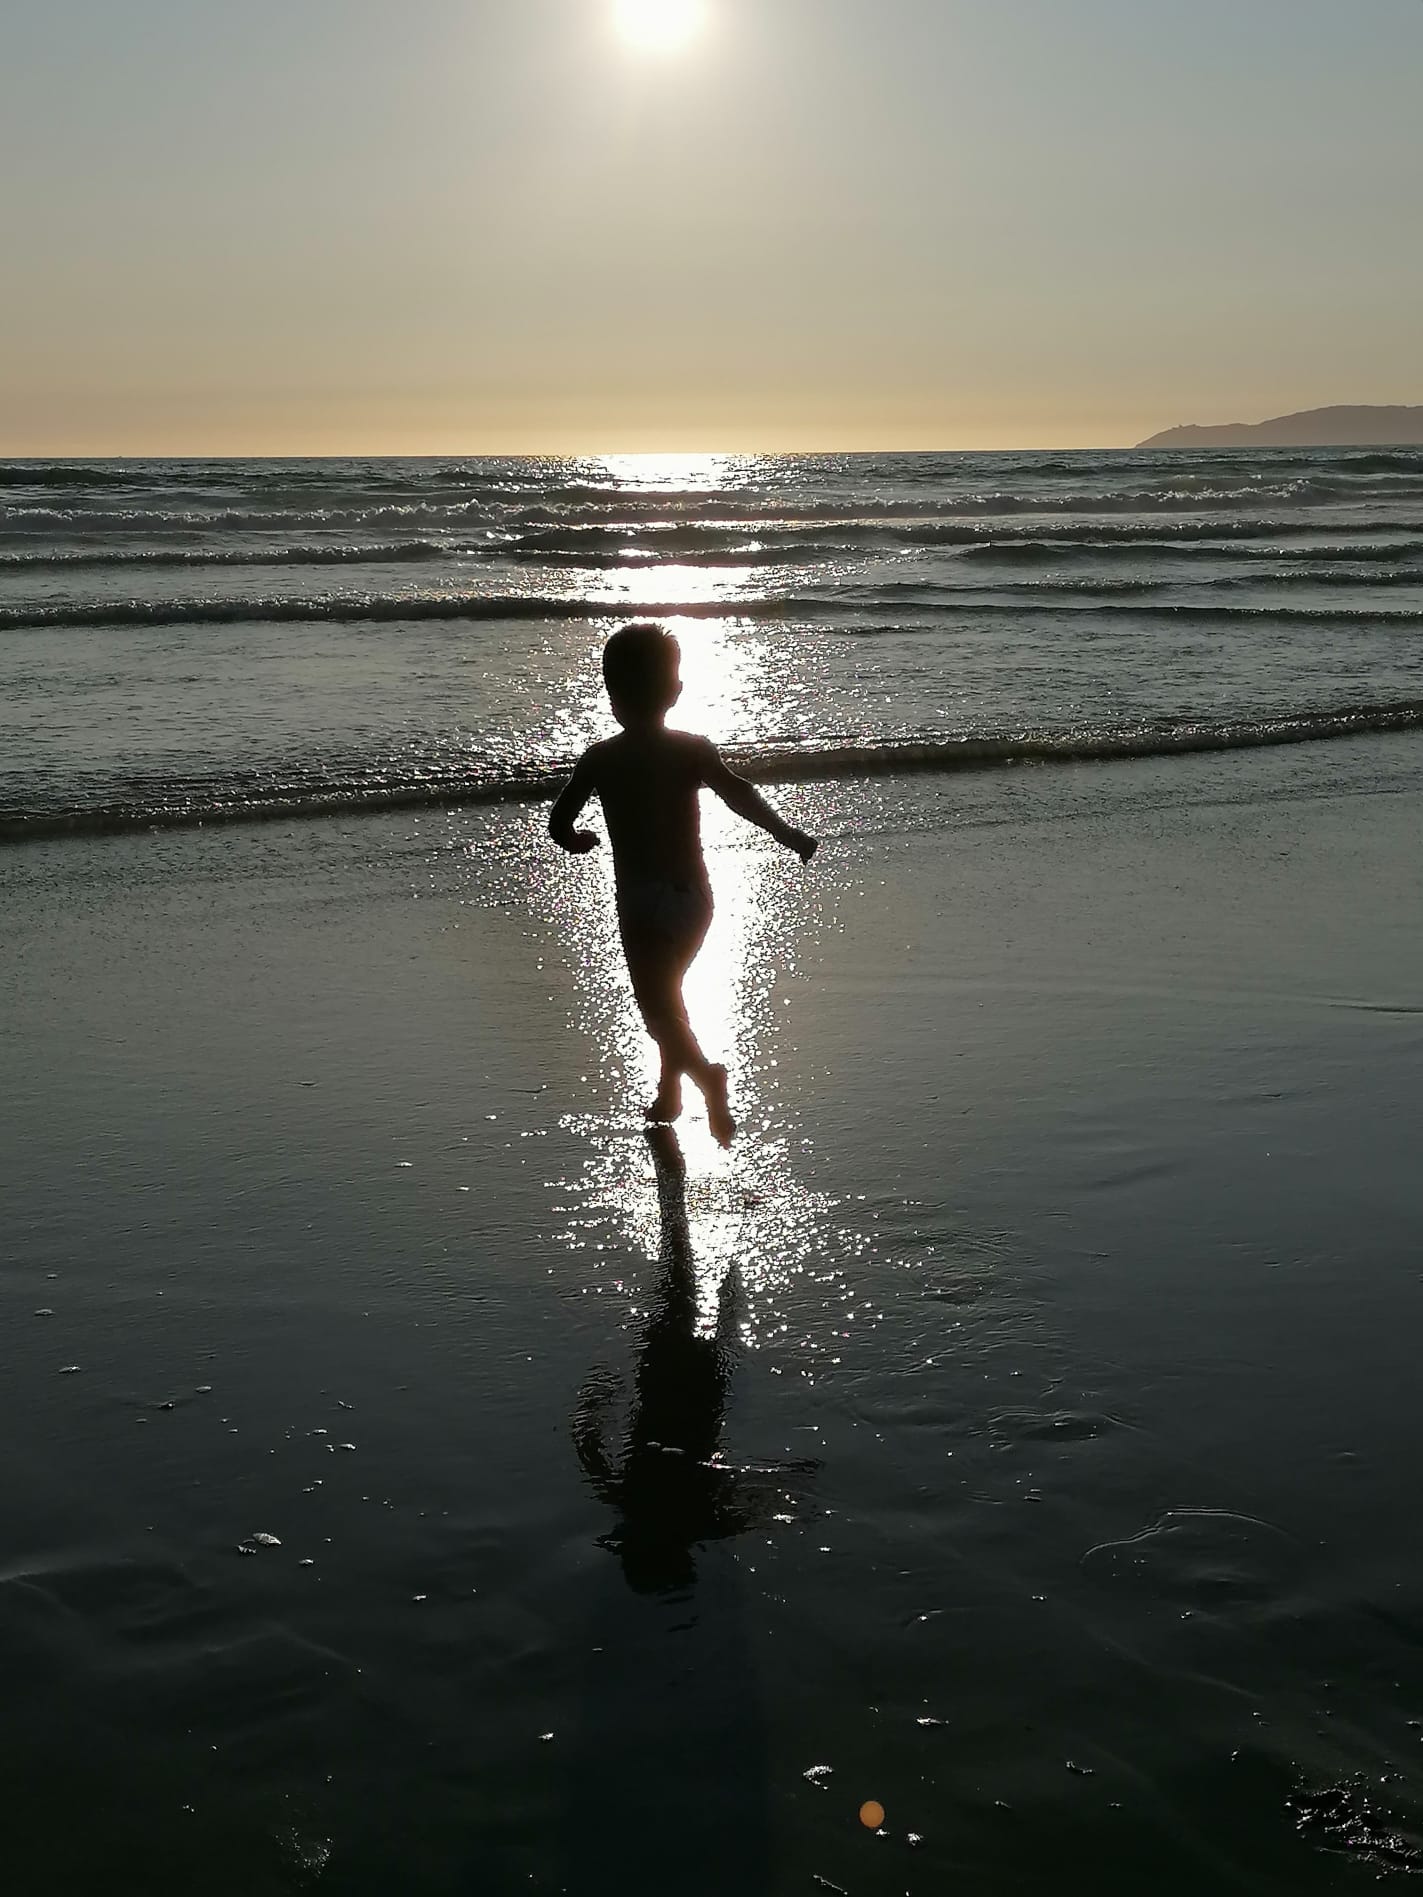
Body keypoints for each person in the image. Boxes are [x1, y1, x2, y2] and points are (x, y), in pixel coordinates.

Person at [548, 622, 817, 1144]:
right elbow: (740, 795)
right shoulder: (693, 749)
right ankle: (669, 1090)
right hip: (695, 901)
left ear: (611, 695)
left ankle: (706, 1080)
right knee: (668, 998)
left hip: (642, 905)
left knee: (657, 1007)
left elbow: (560, 821)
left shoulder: (602, 758)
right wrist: (788, 834)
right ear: (675, 690)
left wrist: (577, 840)